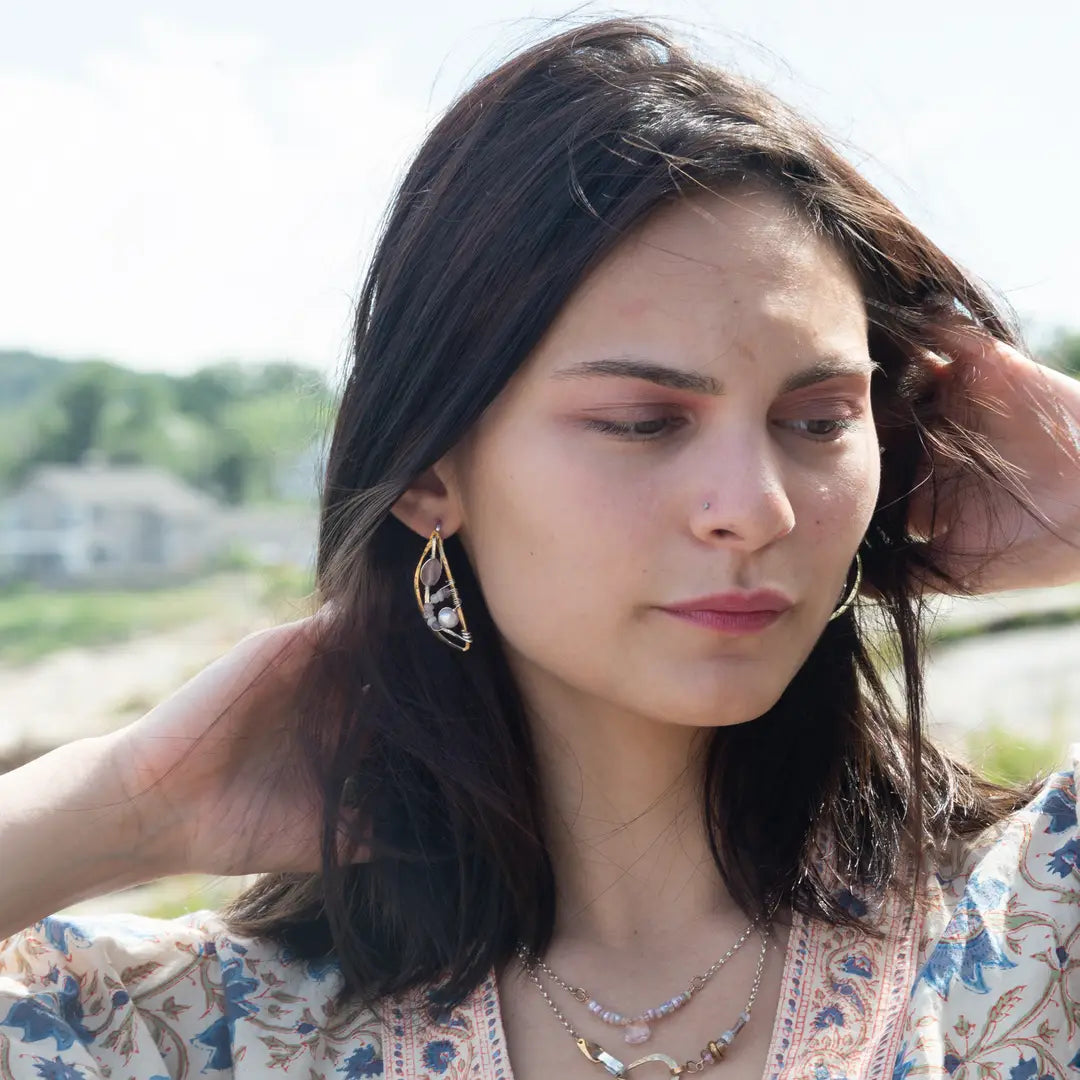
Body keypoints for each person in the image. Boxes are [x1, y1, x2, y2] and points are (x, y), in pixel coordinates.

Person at [1, 16, 1078, 1080]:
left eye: (818, 421)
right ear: (430, 475)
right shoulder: (194, 1031)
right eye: (643, 423)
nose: (758, 509)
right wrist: (130, 808)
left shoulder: (1031, 930)